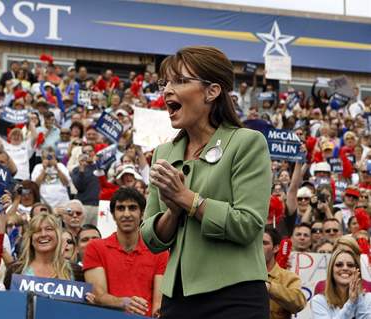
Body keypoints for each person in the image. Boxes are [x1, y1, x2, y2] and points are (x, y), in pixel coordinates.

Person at [141, 46, 272, 319]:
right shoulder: (163, 154)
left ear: (212, 92)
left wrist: (187, 199)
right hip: (177, 299)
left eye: (179, 81)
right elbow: (151, 238)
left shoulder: (247, 143)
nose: (166, 91)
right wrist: (174, 210)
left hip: (236, 298)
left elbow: (248, 225)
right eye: (165, 83)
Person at [84, 188, 168, 317]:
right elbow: (98, 295)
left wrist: (158, 313)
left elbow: (159, 303)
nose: (126, 214)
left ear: (142, 213)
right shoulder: (95, 248)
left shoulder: (159, 251)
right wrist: (123, 302)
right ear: (112, 214)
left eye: (132, 208)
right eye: (121, 208)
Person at [4, 213, 73, 289]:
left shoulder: (73, 270)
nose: (43, 234)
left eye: (49, 229)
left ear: (58, 235)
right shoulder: (15, 270)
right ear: (31, 238)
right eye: (37, 231)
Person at [311, 249, 371, 318]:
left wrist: (359, 299)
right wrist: (351, 303)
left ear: (357, 270)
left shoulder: (368, 298)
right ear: (331, 270)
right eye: (339, 265)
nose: (345, 268)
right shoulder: (319, 301)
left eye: (350, 265)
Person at [264, 226, 306, 319]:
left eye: (264, 243)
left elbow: (299, 303)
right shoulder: (244, 274)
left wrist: (270, 288)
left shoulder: (288, 277)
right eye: (256, 243)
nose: (258, 247)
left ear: (276, 248)